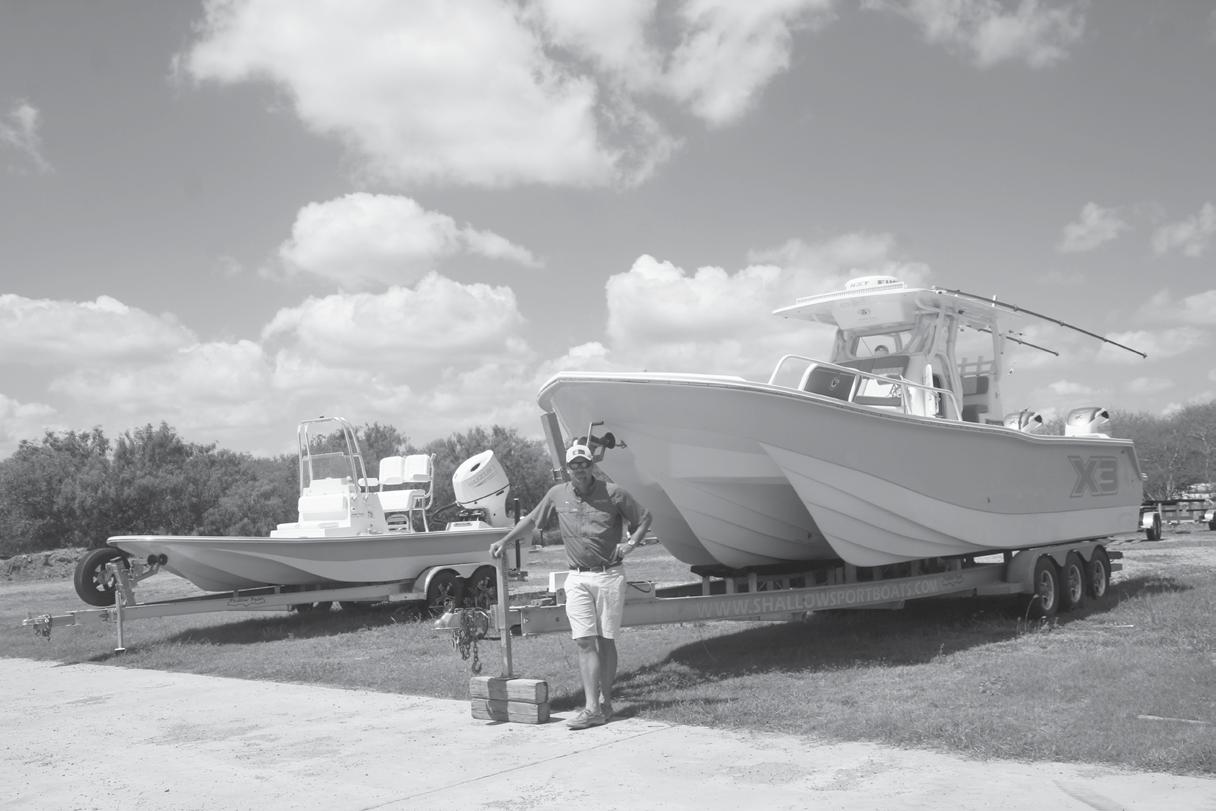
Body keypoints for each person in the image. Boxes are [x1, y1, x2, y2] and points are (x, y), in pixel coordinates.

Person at [490, 443, 651, 730]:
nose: (579, 469)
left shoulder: (614, 492)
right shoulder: (557, 494)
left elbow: (645, 517)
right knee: (583, 640)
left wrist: (629, 544)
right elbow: (531, 520)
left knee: (606, 640)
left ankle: (606, 701)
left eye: (584, 464)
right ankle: (591, 707)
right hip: (576, 577)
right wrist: (505, 541)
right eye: (573, 465)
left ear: (591, 466)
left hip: (608, 576)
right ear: (567, 469)